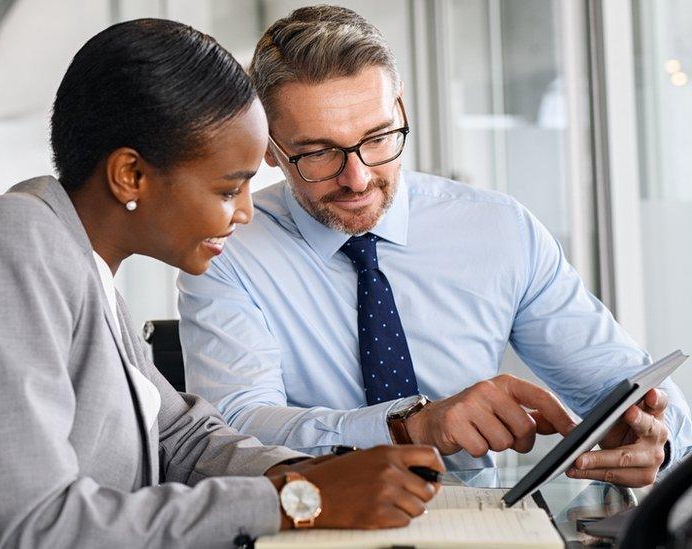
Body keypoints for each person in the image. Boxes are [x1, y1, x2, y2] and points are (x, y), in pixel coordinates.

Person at [0, 18, 445, 549]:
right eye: (228, 189)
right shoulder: (16, 245)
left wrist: (311, 472)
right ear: (131, 175)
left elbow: (183, 438)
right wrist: (298, 500)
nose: (245, 212)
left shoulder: (84, 266)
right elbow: (35, 527)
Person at [177, 5, 689, 486]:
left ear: (399, 109)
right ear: (269, 146)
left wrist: (655, 438)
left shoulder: (498, 229)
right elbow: (234, 433)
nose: (357, 178)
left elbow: (628, 385)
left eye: (378, 138)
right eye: (318, 152)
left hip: (489, 526)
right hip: (314, 525)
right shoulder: (228, 247)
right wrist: (408, 427)